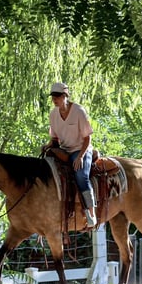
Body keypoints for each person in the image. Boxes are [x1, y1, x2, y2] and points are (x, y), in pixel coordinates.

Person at [41, 81, 97, 227]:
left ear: (66, 96)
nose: (55, 99)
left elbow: (87, 137)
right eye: (53, 96)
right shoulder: (53, 114)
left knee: (80, 175)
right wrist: (47, 146)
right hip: (64, 150)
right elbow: (54, 138)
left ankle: (91, 213)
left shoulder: (79, 111)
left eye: (58, 96)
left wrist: (80, 157)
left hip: (80, 149)